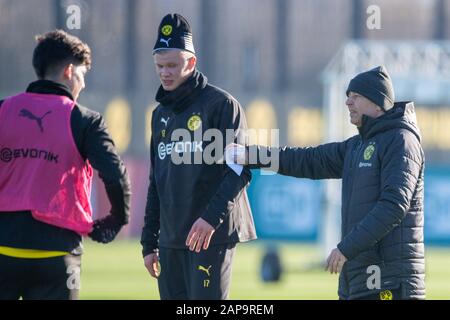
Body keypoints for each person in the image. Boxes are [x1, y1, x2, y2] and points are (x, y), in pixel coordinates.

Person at [227, 66, 425, 300]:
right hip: (359, 283)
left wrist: (346, 248)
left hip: (390, 284)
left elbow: (393, 207)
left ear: (377, 102)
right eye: (347, 97)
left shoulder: (401, 141)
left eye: (356, 97)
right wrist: (253, 156)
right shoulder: (356, 146)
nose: (348, 103)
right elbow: (306, 160)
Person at [0, 30, 131, 300]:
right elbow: (115, 177)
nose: (82, 84)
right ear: (69, 71)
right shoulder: (84, 120)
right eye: (82, 75)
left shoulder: (3, 110)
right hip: (57, 254)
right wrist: (116, 219)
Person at [141, 13, 256, 300]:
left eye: (172, 66)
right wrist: (148, 243)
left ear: (191, 63)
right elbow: (156, 181)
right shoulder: (159, 115)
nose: (165, 73)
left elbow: (239, 171)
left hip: (211, 235)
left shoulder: (222, 106)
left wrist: (209, 218)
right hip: (170, 241)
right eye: (159, 66)